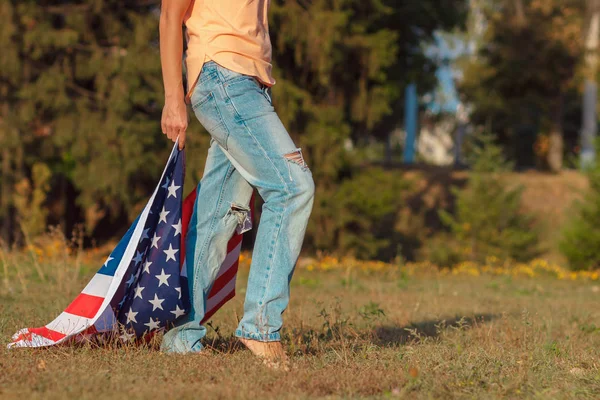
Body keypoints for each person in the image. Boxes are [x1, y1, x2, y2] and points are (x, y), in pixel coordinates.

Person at [158, 0, 315, 368]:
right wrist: (172, 99)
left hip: (249, 80)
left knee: (218, 213)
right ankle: (259, 325)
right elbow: (170, 15)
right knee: (292, 187)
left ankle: (182, 334)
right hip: (222, 75)